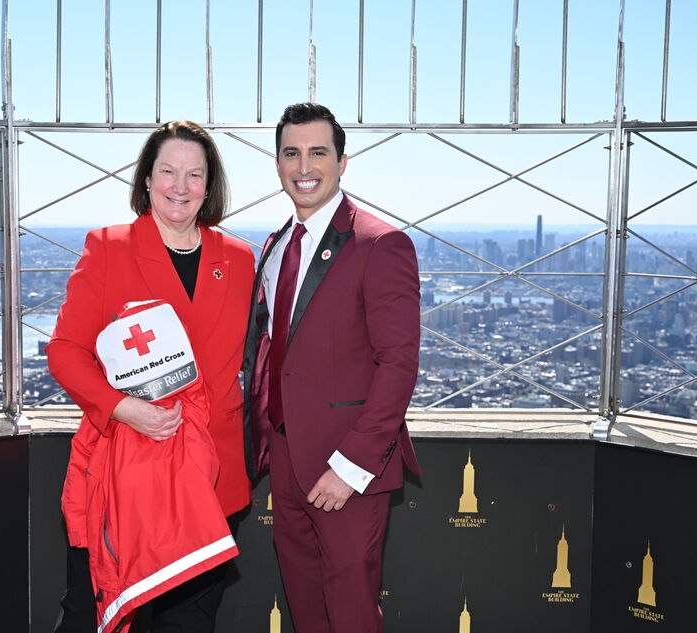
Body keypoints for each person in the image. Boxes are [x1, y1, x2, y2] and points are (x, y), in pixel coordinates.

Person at [48, 120, 255, 633]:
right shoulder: (108, 247)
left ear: (210, 185)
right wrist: (122, 407)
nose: (180, 187)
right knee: (95, 616)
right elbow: (66, 351)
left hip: (209, 476)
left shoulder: (240, 258)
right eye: (168, 172)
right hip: (126, 470)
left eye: (194, 175)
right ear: (147, 179)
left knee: (189, 622)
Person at [242, 103, 421, 633]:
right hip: (288, 461)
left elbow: (398, 364)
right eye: (291, 153)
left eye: (318, 152)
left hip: (346, 468)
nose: (304, 166)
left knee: (350, 613)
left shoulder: (381, 242)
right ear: (277, 164)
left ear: (343, 162)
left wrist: (351, 467)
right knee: (306, 609)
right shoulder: (275, 247)